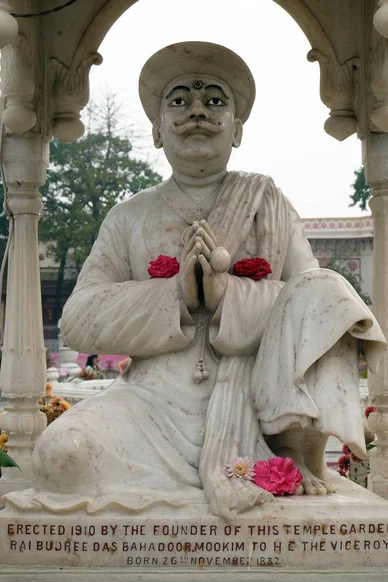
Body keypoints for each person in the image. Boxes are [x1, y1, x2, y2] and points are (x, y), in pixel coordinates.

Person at [6, 42, 385, 522]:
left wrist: (231, 296)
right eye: (179, 101)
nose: (197, 113)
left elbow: (315, 304)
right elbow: (79, 320)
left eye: (215, 102)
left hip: (255, 406)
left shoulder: (269, 203)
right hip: (149, 405)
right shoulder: (129, 218)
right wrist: (178, 296)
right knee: (59, 456)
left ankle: (291, 456)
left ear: (238, 129)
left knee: (330, 286)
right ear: (157, 130)